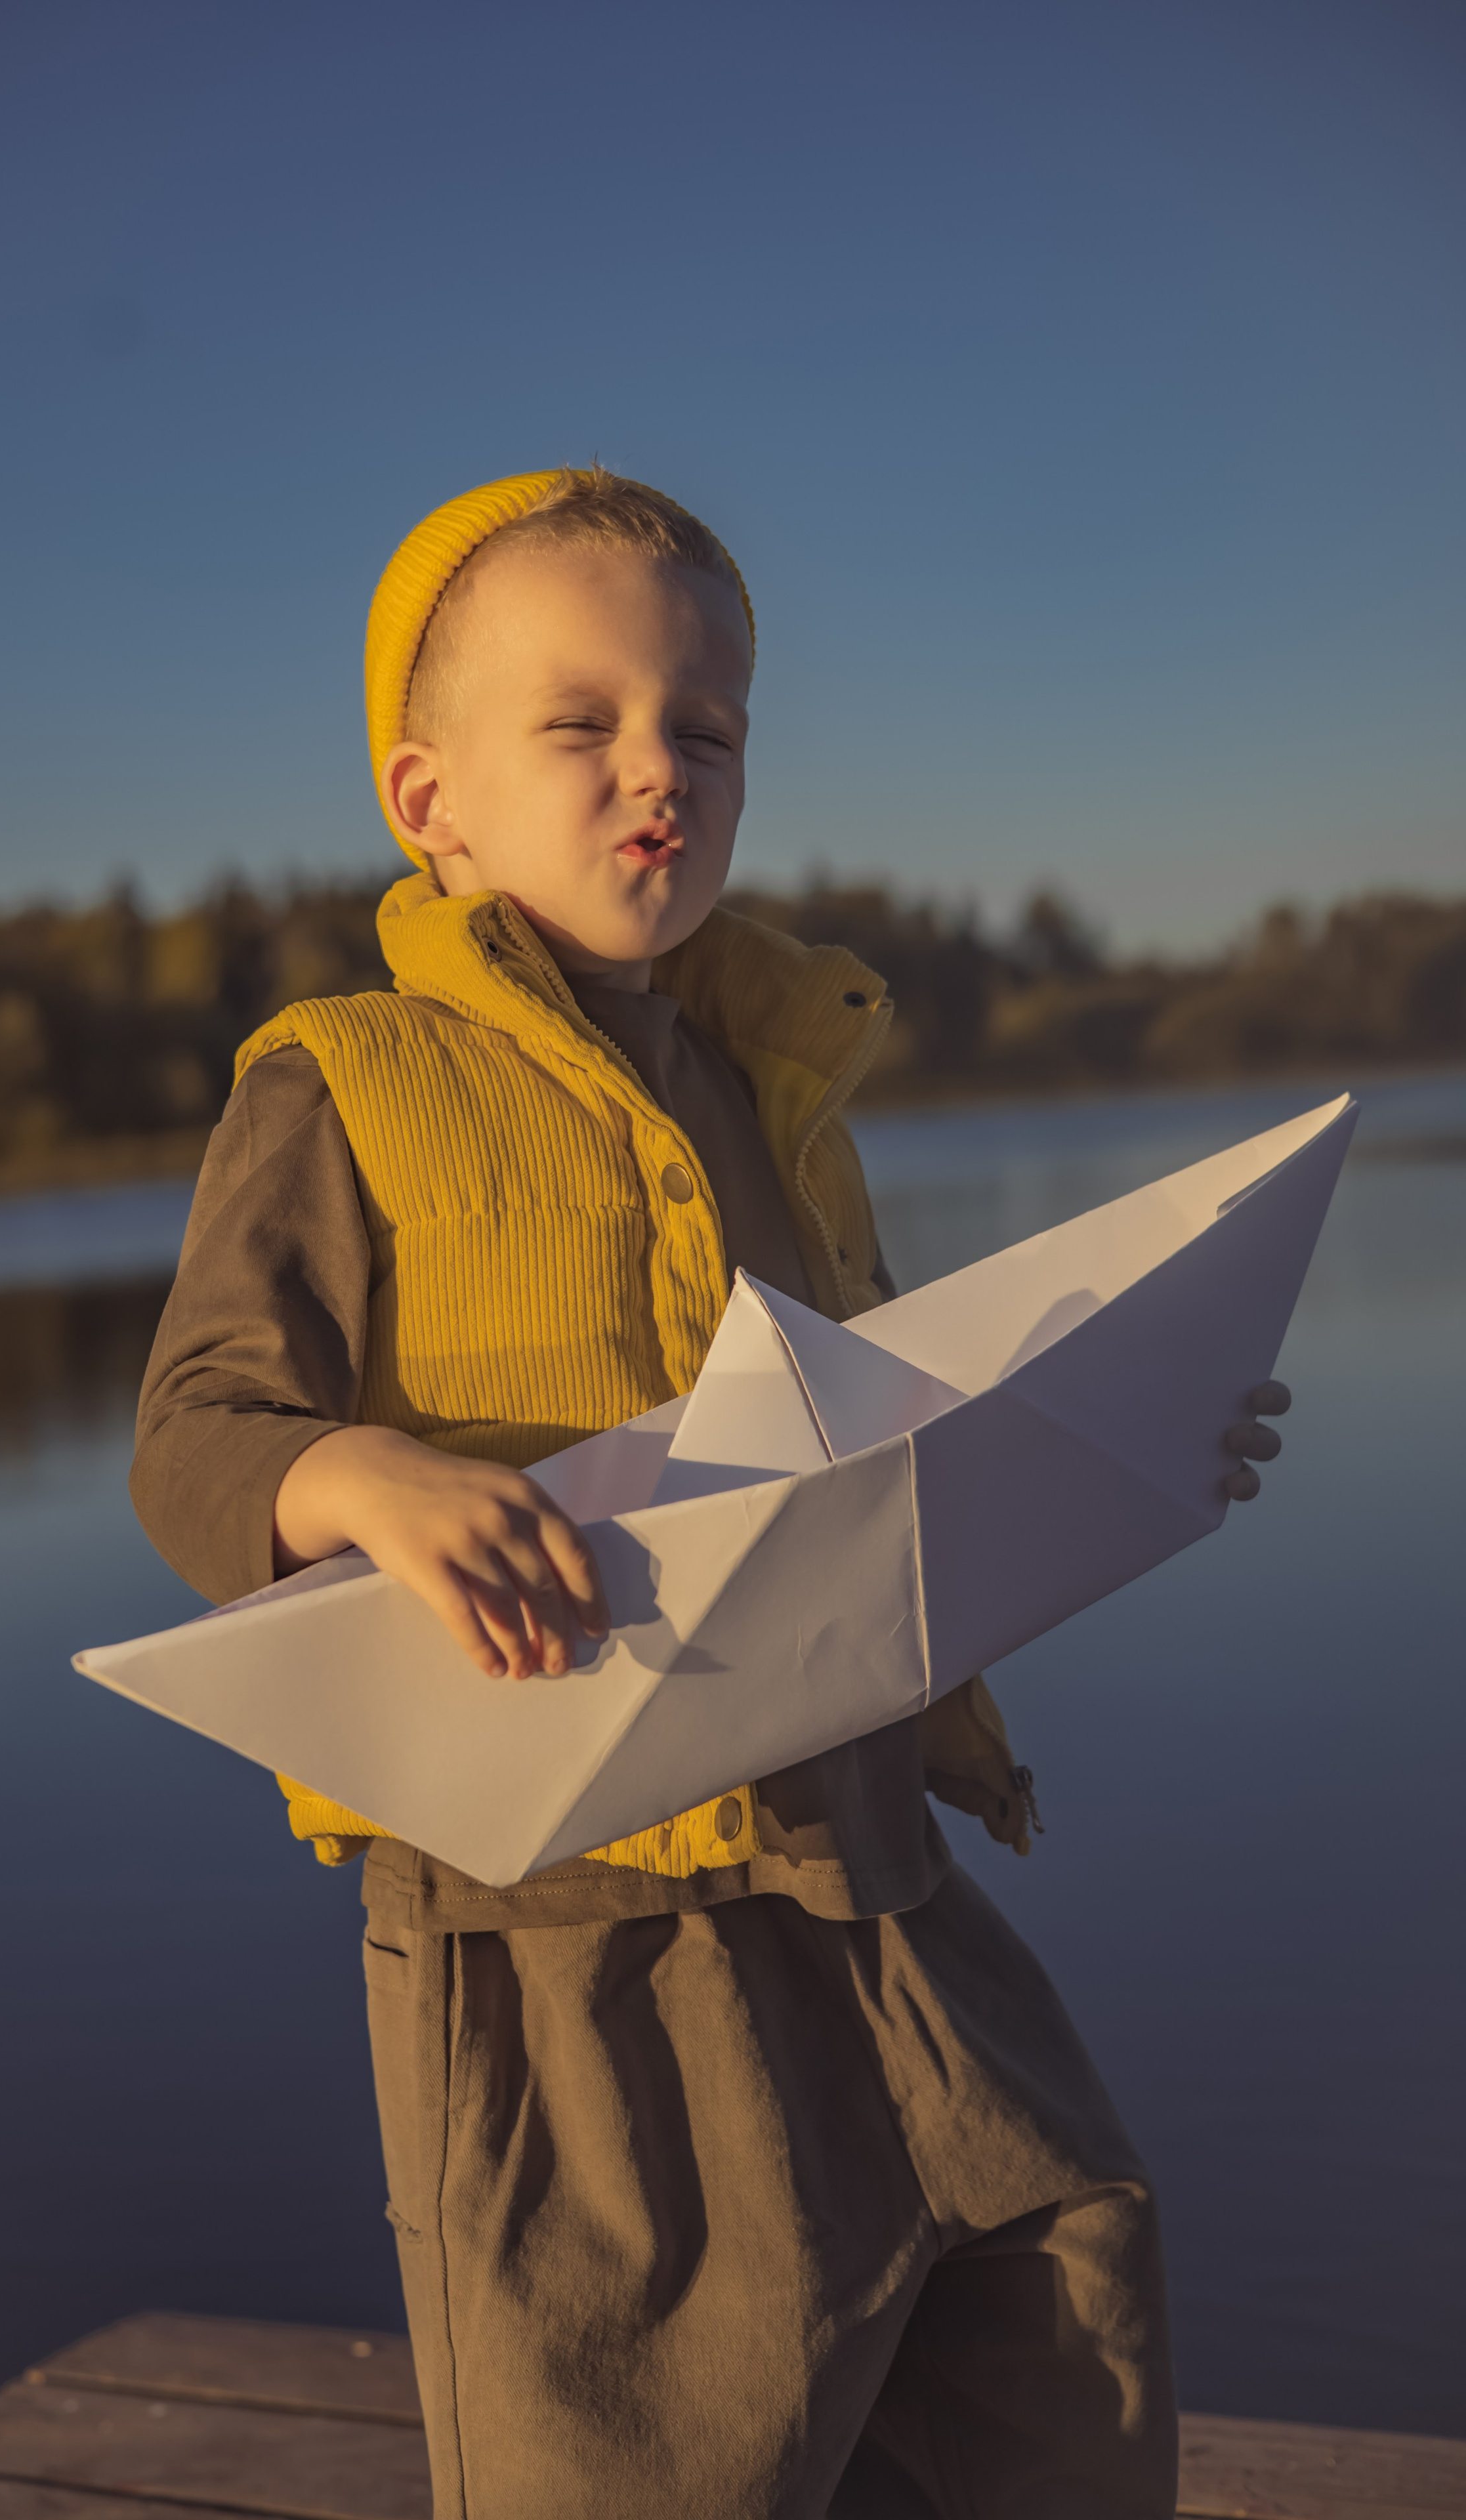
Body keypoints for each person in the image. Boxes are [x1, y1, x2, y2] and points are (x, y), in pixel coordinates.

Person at [131, 467, 1286, 2518]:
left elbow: (893, 1441)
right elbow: (199, 1433)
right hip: (571, 1929)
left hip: (871, 1877)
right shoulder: (343, 1081)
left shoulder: (772, 1087)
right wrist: (362, 1477)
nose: (657, 769)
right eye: (580, 725)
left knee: (1056, 2297)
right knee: (649, 2435)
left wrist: (1143, 1430)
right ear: (433, 799)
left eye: (709, 731)